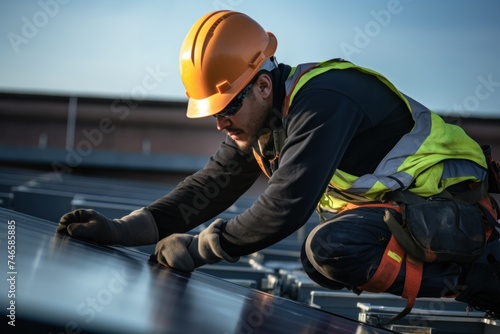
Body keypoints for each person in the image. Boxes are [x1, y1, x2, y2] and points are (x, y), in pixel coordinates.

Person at [57, 10, 500, 321]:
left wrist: (198, 250)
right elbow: (207, 187)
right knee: (324, 256)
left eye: (226, 107)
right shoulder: (264, 125)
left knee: (327, 249)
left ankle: (481, 278)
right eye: (213, 112)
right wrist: (123, 230)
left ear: (263, 85)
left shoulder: (324, 100)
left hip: (450, 206)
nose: (219, 122)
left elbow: (287, 205)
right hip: (408, 212)